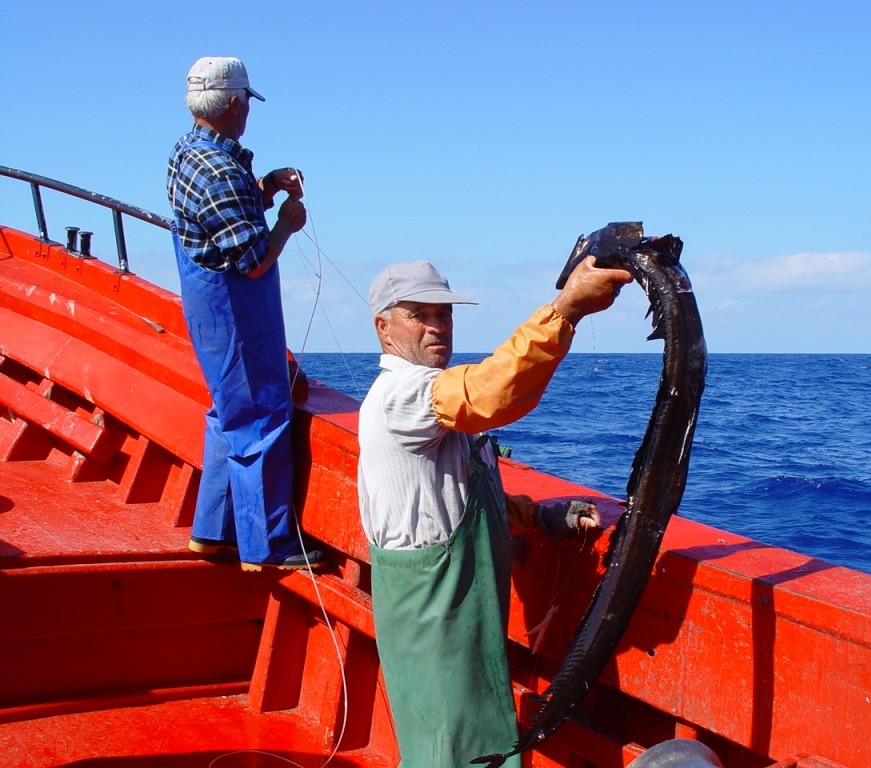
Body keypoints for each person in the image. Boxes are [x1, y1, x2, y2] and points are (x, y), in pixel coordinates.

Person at [357, 256, 632, 766]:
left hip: (462, 613)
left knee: (475, 741)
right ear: (384, 327)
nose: (439, 326)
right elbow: (490, 393)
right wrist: (565, 310)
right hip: (431, 614)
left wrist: (540, 516)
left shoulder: (433, 403)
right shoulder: (401, 395)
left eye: (445, 315)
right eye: (421, 314)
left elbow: (463, 498)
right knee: (449, 749)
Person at [166, 56, 325, 571]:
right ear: (235, 103)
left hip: (208, 307)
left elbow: (223, 216)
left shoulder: (188, 153)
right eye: (247, 103)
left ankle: (212, 531)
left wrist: (268, 186)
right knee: (262, 415)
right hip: (236, 311)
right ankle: (268, 546)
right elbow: (254, 260)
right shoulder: (220, 170)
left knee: (228, 411)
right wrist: (287, 222)